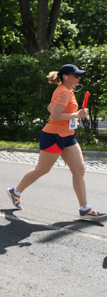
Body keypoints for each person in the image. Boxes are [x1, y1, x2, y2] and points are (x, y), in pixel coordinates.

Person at [7, 64, 106, 218]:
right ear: (66, 76)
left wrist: (71, 117)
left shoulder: (67, 92)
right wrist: (76, 115)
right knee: (42, 169)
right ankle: (15, 191)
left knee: (79, 169)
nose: (79, 78)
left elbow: (50, 108)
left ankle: (84, 208)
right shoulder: (64, 92)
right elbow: (55, 115)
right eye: (76, 75)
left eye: (80, 75)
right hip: (54, 136)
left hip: (68, 136)